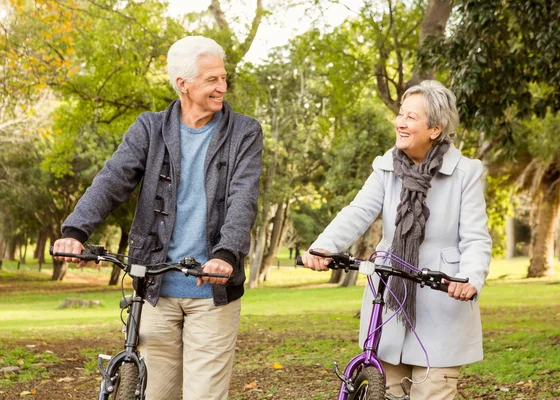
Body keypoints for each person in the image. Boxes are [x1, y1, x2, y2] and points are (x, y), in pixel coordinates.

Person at [51, 36, 263, 400]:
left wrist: (226, 254)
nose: (222, 87)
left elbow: (242, 199)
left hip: (212, 292)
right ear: (184, 84)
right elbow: (112, 180)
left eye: (223, 78)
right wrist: (75, 230)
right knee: (154, 394)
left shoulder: (244, 132)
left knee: (205, 396)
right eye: (212, 79)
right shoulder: (150, 128)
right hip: (154, 290)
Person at [302, 80, 491, 400]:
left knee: (433, 392)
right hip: (390, 296)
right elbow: (357, 212)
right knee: (387, 391)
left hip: (442, 296)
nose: (399, 122)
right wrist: (324, 246)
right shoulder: (385, 167)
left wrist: (470, 278)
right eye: (400, 114)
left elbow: (475, 238)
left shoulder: (466, 173)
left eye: (411, 117)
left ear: (435, 128)